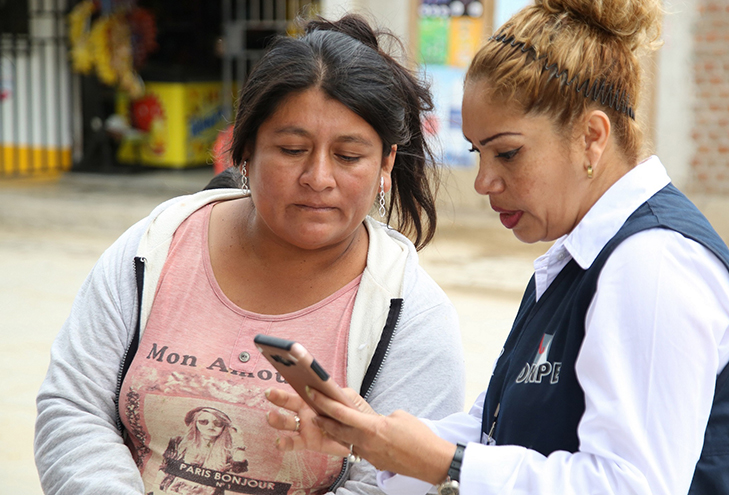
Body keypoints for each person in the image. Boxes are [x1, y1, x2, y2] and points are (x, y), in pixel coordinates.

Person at [264, 1, 729, 494]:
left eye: (508, 153)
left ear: (591, 137)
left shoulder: (654, 263)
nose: (484, 181)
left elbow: (630, 485)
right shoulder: (581, 260)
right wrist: (370, 436)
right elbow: (494, 429)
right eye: (477, 153)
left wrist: (443, 463)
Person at [34, 14, 465, 495]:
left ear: (385, 162)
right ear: (243, 149)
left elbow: (396, 481)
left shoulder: (409, 313)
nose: (318, 177)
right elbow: (73, 407)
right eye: (292, 148)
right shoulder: (151, 250)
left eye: (348, 156)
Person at [158, 407, 247, 494]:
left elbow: (238, 468)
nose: (211, 426)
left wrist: (238, 439)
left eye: (218, 423)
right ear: (195, 423)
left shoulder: (228, 449)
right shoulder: (178, 442)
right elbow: (164, 467)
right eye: (204, 422)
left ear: (224, 426)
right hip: (174, 490)